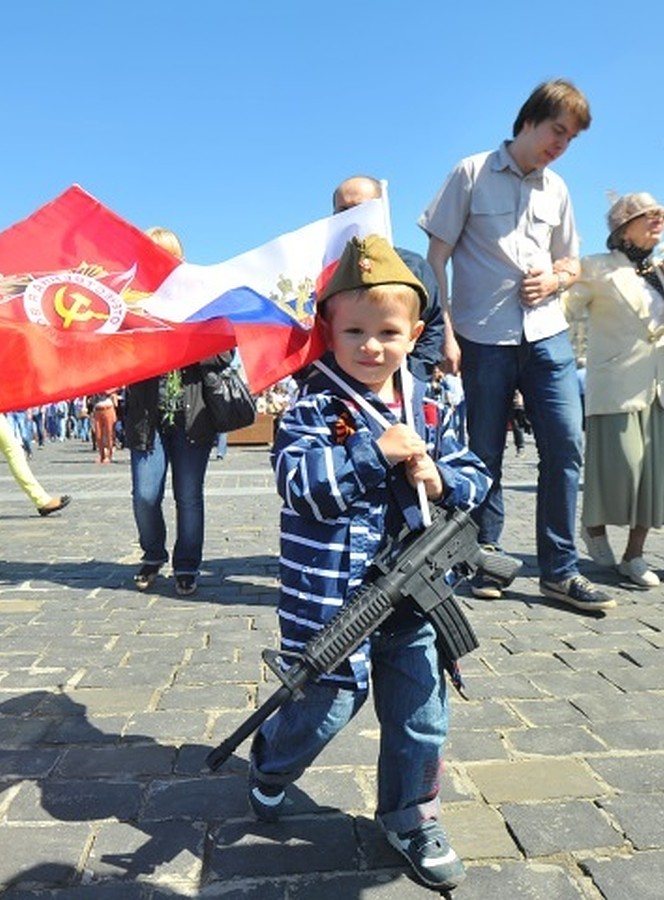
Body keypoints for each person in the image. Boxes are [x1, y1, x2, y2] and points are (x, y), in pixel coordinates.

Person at [248, 235, 491, 891]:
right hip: (332, 600)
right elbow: (300, 485)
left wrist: (441, 478)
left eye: (387, 331)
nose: (371, 346)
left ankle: (411, 817)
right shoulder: (312, 406)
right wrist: (375, 453)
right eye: (354, 330)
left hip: (415, 594)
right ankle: (272, 760)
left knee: (422, 712)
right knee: (327, 706)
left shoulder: (432, 402)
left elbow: (476, 475)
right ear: (328, 330)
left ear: (414, 333)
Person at [418, 78, 614, 612]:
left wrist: (556, 279)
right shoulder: (470, 172)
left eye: (571, 138)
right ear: (529, 120)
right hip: (482, 338)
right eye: (558, 131)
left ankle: (560, 570)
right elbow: (436, 260)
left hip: (547, 334)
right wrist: (446, 333)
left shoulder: (559, 190)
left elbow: (572, 261)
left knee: (566, 446)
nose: (562, 145)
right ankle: (486, 557)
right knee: (484, 455)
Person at [564, 193, 664, 588]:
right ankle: (594, 522)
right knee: (625, 468)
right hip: (616, 383)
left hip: (663, 383)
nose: (658, 220)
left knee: (653, 476)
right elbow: (564, 310)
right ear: (622, 226)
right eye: (647, 214)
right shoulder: (596, 267)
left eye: (661, 214)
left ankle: (635, 555)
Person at [125, 226, 229, 597]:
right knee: (145, 495)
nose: (161, 263)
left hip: (192, 416)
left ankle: (186, 565)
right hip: (146, 418)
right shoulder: (130, 303)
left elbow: (225, 351)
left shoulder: (199, 301)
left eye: (167, 255)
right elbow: (117, 356)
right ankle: (153, 554)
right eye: (153, 255)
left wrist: (188, 338)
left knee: (189, 496)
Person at [332, 175, 444, 381]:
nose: (351, 217)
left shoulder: (413, 267)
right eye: (343, 211)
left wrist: (413, 375)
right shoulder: (323, 272)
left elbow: (433, 326)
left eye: (360, 209)